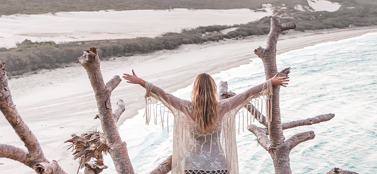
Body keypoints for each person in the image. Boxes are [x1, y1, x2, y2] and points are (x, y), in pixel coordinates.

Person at [123, 70, 288, 174]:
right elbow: (246, 94)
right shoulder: (223, 107)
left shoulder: (186, 107)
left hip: (192, 166)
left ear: (195, 90)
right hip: (219, 166)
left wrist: (142, 82)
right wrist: (269, 83)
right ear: (214, 90)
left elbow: (163, 94)